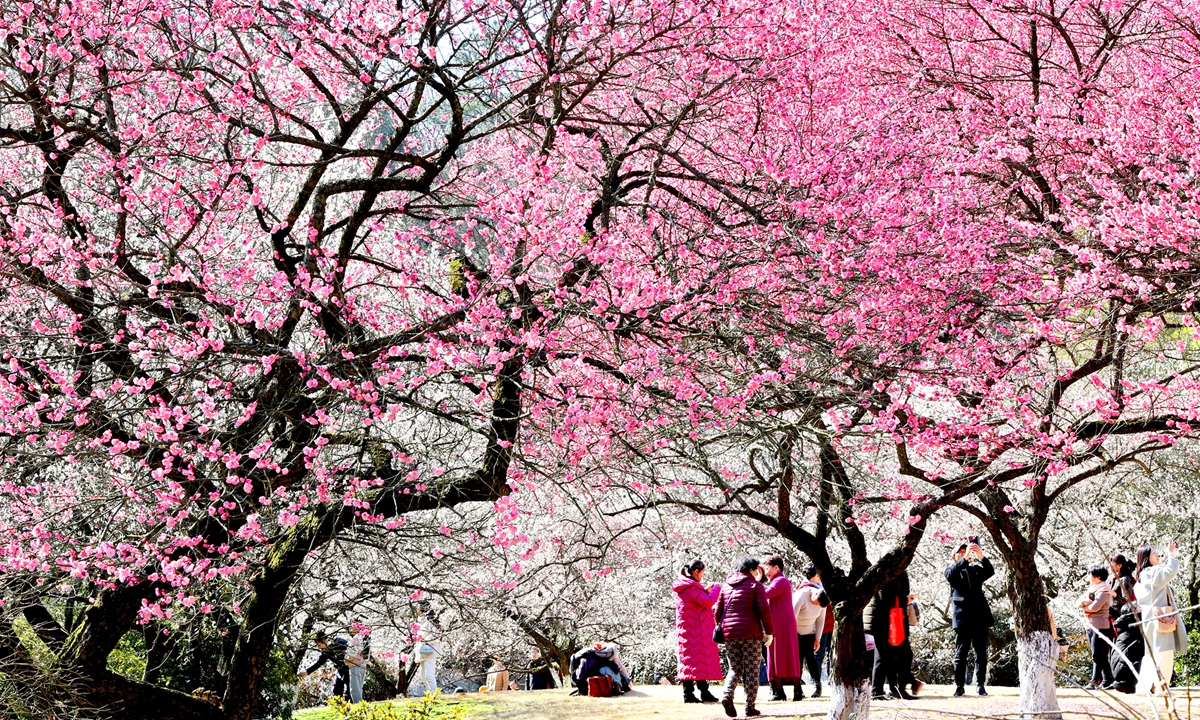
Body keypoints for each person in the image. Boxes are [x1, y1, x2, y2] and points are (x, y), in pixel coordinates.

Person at [716, 557, 774, 718]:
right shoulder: (756, 586)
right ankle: (750, 707)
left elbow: (717, 611)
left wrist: (725, 628)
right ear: (751, 570)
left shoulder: (726, 586)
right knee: (752, 670)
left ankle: (727, 695)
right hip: (751, 634)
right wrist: (769, 632)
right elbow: (765, 611)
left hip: (730, 634)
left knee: (735, 668)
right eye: (756, 569)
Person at [1133, 541, 1188, 695]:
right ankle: (1162, 688)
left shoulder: (1141, 577)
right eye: (1154, 553)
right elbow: (1170, 571)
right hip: (1161, 617)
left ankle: (1143, 686)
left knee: (1151, 652)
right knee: (1164, 651)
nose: (1158, 555)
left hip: (1149, 617)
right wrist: (1171, 553)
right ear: (1146, 557)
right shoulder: (1153, 572)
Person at [945, 538, 995, 697]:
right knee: (961, 654)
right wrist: (965, 557)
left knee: (981, 654)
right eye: (959, 553)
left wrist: (981, 555)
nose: (963, 555)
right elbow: (951, 575)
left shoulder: (975, 570)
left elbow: (990, 571)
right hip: (962, 619)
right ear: (954, 557)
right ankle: (959, 686)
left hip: (979, 617)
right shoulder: (950, 571)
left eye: (965, 552)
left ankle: (980, 685)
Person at [672, 559, 722, 704]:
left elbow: (698, 600)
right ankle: (690, 694)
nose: (702, 576)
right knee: (693, 661)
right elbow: (707, 602)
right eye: (702, 573)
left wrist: (705, 591)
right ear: (696, 572)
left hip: (690, 630)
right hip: (695, 630)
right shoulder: (691, 587)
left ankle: (702, 692)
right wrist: (716, 589)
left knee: (695, 661)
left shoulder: (687, 587)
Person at [865, 570, 915, 700]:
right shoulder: (883, 572)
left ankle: (890, 689)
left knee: (887, 656)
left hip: (891, 619)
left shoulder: (899, 573)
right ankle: (889, 690)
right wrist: (905, 600)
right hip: (883, 620)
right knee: (887, 656)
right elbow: (886, 597)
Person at [761, 556, 802, 701]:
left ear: (776, 567)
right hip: (778, 622)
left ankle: (795, 690)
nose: (766, 571)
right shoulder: (776, 581)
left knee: (786, 654)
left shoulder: (781, 581)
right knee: (775, 654)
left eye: (768, 568)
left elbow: (764, 594)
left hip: (783, 623)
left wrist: (756, 581)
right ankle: (779, 691)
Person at [793, 565, 828, 699]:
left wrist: (817, 638)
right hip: (795, 631)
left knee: (811, 658)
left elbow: (820, 620)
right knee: (798, 659)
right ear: (813, 594)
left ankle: (817, 685)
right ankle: (798, 688)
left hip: (809, 632)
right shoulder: (801, 596)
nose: (816, 606)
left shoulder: (822, 599)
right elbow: (791, 618)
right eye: (815, 602)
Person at [1077, 566, 1115, 689]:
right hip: (1089, 625)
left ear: (1098, 577)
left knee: (1097, 655)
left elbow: (1095, 607)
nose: (1089, 577)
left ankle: (1094, 681)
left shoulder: (1103, 591)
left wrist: (1083, 606)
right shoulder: (1092, 590)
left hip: (1100, 626)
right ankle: (1107, 680)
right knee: (1099, 654)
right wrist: (1083, 603)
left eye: (1091, 574)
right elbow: (1077, 602)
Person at [298, 631, 350, 699]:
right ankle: (337, 705)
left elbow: (349, 650)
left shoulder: (339, 642)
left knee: (349, 691)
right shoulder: (326, 652)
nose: (319, 648)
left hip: (349, 669)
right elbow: (319, 663)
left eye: (319, 645)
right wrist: (307, 672)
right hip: (340, 670)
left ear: (324, 641)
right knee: (337, 691)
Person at [1110, 594, 1144, 694]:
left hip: (1121, 676)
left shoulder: (1125, 630)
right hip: (1127, 678)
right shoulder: (1135, 631)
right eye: (1140, 607)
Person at [345, 623, 371, 703]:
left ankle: (358, 706)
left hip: (355, 664)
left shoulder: (357, 637)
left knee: (355, 688)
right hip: (362, 664)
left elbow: (354, 651)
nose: (350, 629)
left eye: (352, 627)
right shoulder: (365, 637)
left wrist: (348, 660)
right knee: (359, 687)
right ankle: (360, 705)